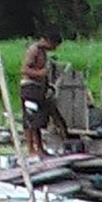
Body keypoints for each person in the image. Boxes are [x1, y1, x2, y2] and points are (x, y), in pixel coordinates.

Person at [19, 30, 62, 159]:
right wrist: (41, 73)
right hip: (30, 88)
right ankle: (31, 149)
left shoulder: (43, 52)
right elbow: (25, 69)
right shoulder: (34, 50)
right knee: (30, 119)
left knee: (38, 120)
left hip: (39, 89)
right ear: (47, 41)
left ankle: (40, 148)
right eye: (54, 45)